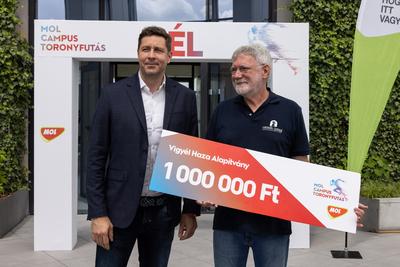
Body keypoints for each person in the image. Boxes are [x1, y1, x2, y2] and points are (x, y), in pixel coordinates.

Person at [204, 43, 367, 267]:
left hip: (274, 227)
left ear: (265, 71)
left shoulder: (289, 111)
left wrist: (343, 204)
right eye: (233, 70)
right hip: (228, 225)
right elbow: (206, 161)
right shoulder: (222, 111)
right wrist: (203, 188)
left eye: (243, 69)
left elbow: (302, 165)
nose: (236, 74)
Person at [86, 26, 200, 267]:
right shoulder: (112, 95)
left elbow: (191, 156)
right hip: (117, 212)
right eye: (145, 49)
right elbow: (96, 157)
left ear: (169, 57)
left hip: (163, 211)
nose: (151, 55)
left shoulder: (186, 98)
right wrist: (98, 213)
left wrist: (189, 209)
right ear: (138, 54)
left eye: (158, 50)